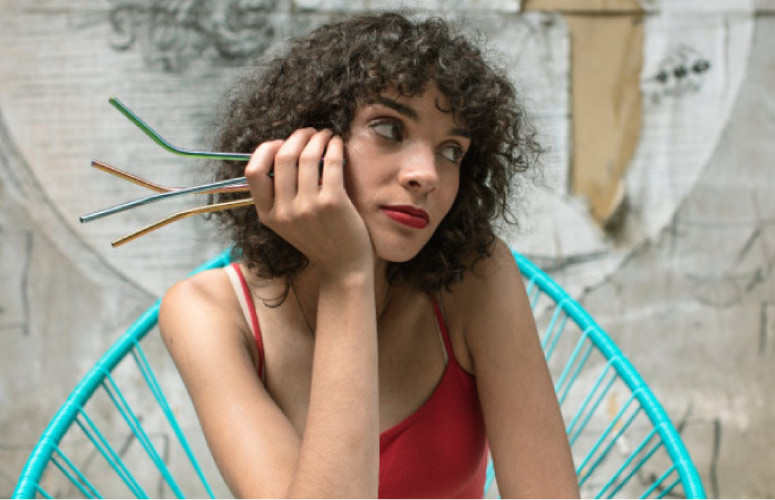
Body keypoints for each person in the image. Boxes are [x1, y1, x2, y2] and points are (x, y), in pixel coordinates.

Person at [159, 11, 579, 499]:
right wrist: (349, 277)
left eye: (451, 151)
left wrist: (349, 272)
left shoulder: (477, 276)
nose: (426, 174)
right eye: (389, 129)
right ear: (304, 143)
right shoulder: (207, 312)